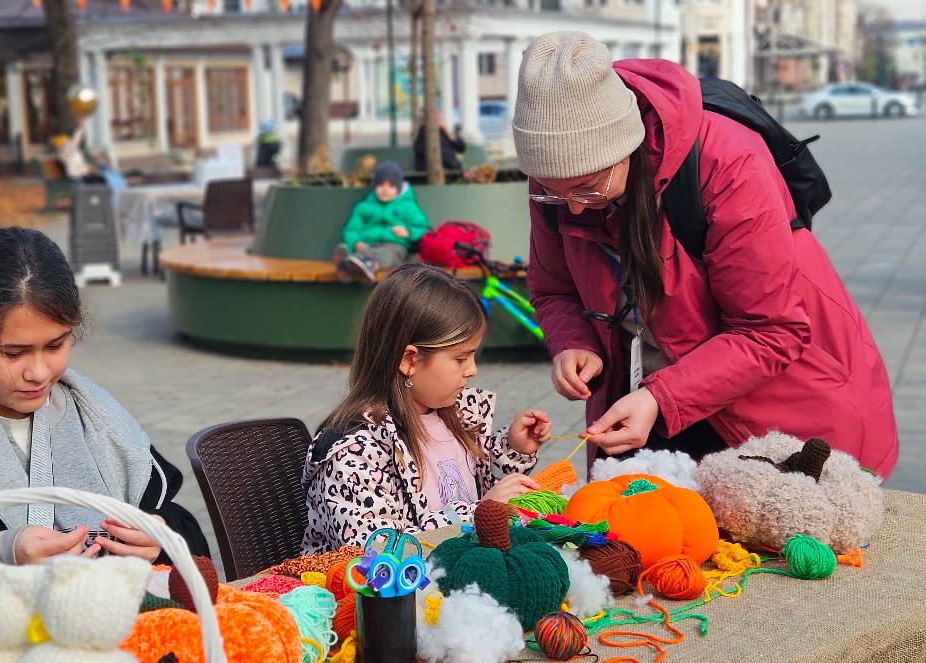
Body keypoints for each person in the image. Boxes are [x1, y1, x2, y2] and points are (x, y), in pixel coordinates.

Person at [513, 32, 898, 475]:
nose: (576, 206)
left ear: (627, 148)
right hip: (648, 401)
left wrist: (661, 397)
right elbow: (553, 291)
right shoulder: (556, 180)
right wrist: (573, 344)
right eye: (553, 192)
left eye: (589, 187)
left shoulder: (725, 160)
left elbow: (772, 331)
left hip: (773, 411)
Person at [0, 227, 211, 565]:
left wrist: (159, 540)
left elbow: (186, 537)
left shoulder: (98, 418)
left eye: (56, 345)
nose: (40, 373)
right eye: (13, 354)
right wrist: (0, 552)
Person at [302, 264, 552, 553]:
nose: (472, 370)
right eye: (461, 358)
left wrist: (513, 449)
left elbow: (479, 486)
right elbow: (374, 549)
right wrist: (479, 512)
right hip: (380, 593)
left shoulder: (453, 414)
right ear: (410, 360)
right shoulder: (355, 451)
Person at [334, 160, 430, 284]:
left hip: (394, 246)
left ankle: (350, 263)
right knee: (353, 248)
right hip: (367, 245)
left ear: (398, 188)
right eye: (381, 185)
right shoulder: (365, 206)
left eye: (391, 186)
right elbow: (351, 229)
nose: (385, 189)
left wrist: (408, 231)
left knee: (386, 255)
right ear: (375, 186)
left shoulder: (408, 206)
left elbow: (423, 227)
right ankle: (356, 263)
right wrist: (356, 242)